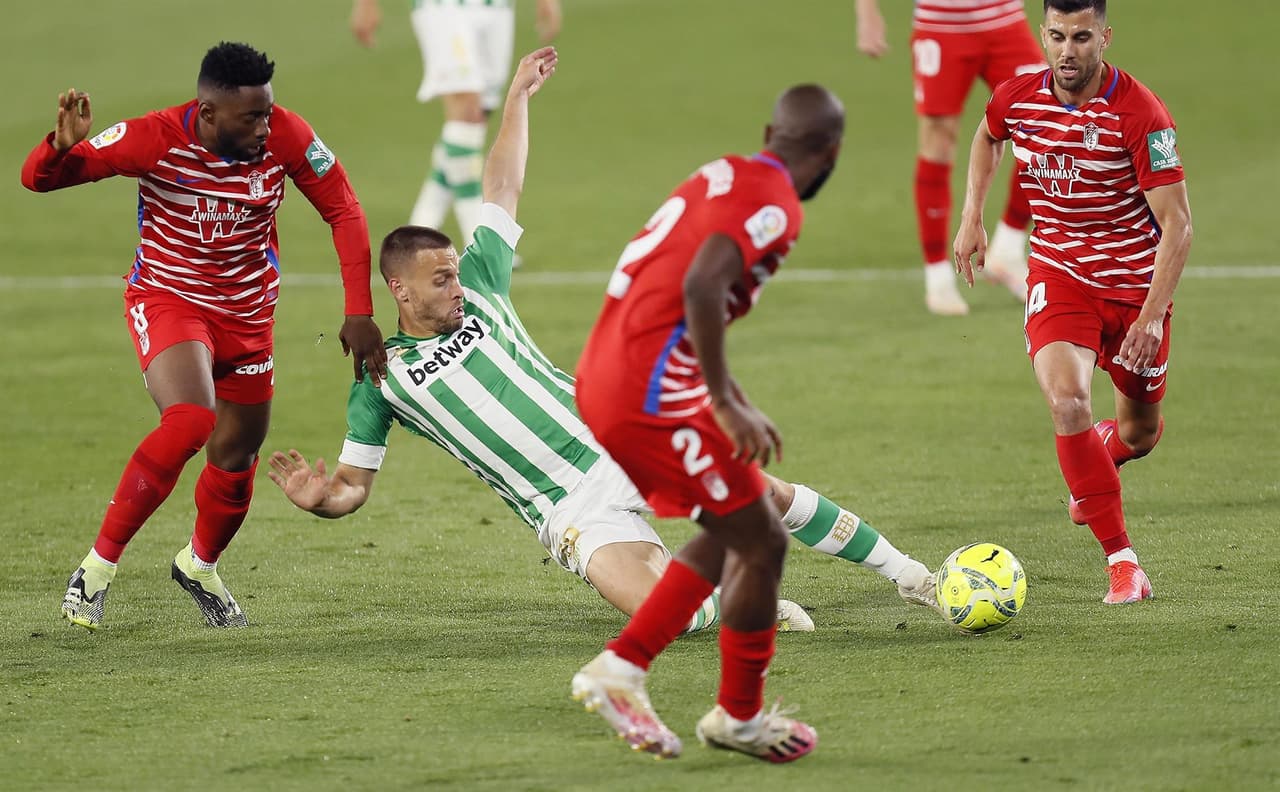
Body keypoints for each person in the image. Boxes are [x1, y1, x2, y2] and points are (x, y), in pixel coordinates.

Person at [265, 49, 939, 638]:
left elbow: (501, 185)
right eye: (440, 280)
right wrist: (321, 499)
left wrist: (517, 99)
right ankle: (739, 608)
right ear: (401, 293)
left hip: (618, 436)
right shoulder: (382, 378)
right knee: (663, 615)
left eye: (455, 272)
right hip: (562, 507)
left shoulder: (484, 282)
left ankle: (909, 573)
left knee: (766, 494)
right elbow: (355, 484)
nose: (456, 286)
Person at [22, 42, 388, 630]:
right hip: (169, 300)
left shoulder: (288, 136)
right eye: (252, 117)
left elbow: (343, 209)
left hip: (247, 316)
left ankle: (199, 564)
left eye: (268, 112)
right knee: (191, 419)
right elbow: (41, 181)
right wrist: (56, 149)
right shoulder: (153, 137)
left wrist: (358, 310)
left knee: (237, 454)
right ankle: (95, 570)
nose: (266, 127)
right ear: (209, 112)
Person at [569, 85, 846, 764]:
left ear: (769, 132)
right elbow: (701, 284)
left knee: (738, 524)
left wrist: (727, 392)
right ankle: (735, 715)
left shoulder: (723, 173)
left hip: (617, 367)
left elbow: (681, 294)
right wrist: (722, 397)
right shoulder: (776, 206)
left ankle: (626, 669)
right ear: (830, 153)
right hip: (645, 388)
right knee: (763, 543)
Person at [953, 0, 1192, 604]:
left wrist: (1150, 316)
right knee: (1068, 403)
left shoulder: (1141, 114)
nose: (1067, 51)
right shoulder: (1018, 96)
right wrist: (972, 218)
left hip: (1137, 291)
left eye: (1081, 37)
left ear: (1104, 38)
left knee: (1140, 433)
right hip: (1060, 278)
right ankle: (1123, 563)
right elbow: (987, 136)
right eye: (1057, 36)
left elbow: (1178, 226)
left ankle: (1099, 459)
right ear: (1043, 34)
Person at [855, 0, 1045, 315]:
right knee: (938, 141)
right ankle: (938, 275)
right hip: (940, 21)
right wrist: (867, 10)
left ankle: (1008, 247)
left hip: (1005, 18)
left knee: (1045, 126)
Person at [350, 0, 561, 250]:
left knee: (475, 119)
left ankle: (419, 230)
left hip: (495, 7)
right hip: (443, 6)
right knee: (467, 112)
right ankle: (480, 243)